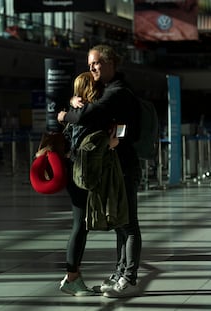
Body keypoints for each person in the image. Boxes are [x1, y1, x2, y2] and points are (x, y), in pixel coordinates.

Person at [58, 45, 142, 298]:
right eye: (90, 63)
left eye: (95, 63)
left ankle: (128, 276)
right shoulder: (110, 90)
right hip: (113, 168)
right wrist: (74, 102)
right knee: (119, 221)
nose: (91, 67)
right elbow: (93, 111)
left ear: (109, 63)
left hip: (124, 166)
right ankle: (119, 273)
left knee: (127, 223)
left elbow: (93, 113)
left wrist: (65, 115)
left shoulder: (118, 91)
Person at [59, 71, 120, 296]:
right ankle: (72, 277)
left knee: (81, 224)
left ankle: (74, 275)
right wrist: (113, 141)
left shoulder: (76, 110)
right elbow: (99, 140)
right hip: (83, 174)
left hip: (74, 173)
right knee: (81, 225)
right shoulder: (93, 113)